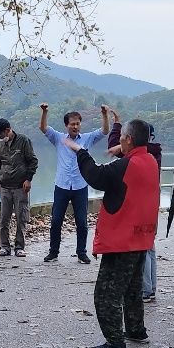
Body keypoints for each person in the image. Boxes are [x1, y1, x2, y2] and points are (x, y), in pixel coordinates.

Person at [66, 119, 159, 348]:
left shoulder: (127, 165)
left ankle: (115, 342)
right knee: (132, 289)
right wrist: (122, 151)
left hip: (122, 239)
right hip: (141, 236)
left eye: (122, 138)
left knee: (106, 293)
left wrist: (80, 151)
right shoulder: (150, 160)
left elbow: (96, 176)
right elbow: (125, 170)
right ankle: (136, 331)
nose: (120, 141)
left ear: (128, 139)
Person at [39, 103, 107, 263]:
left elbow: (104, 131)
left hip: (80, 185)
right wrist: (44, 112)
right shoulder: (59, 138)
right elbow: (43, 128)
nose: (75, 126)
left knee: (82, 222)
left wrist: (104, 115)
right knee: (56, 221)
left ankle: (81, 252)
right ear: (66, 125)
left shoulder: (87, 138)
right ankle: (53, 252)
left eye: (78, 123)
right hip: (62, 185)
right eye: (72, 124)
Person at [108, 114, 163, 302]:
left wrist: (117, 129)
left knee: (143, 246)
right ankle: (150, 288)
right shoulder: (152, 154)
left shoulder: (144, 155)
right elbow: (115, 146)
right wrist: (116, 125)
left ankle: (145, 290)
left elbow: (115, 148)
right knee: (149, 245)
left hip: (141, 205)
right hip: (150, 203)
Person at [0, 118, 38, 256]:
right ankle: (4, 247)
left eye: (0, 134)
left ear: (8, 130)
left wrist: (28, 179)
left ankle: (19, 247)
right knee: (3, 218)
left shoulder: (23, 141)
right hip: (5, 187)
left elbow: (33, 161)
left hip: (20, 187)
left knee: (21, 218)